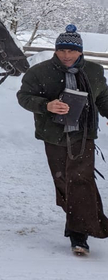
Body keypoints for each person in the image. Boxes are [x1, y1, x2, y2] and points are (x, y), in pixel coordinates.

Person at [17, 24, 108, 256]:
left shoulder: (95, 72)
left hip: (83, 135)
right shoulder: (39, 72)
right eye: (62, 50)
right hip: (54, 136)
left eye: (71, 51)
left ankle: (79, 235)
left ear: (80, 51)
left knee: (81, 180)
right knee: (64, 181)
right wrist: (46, 105)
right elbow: (24, 97)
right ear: (56, 50)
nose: (66, 55)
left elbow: (104, 98)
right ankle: (87, 220)